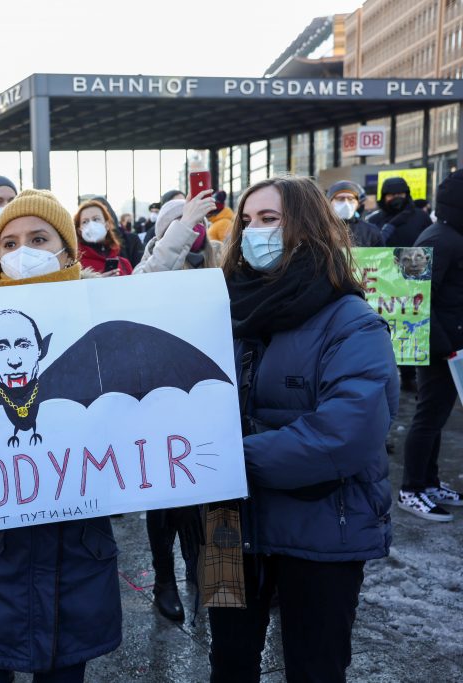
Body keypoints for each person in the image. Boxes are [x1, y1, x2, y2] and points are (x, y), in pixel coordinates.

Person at [211, 176, 397, 683]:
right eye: (247, 221)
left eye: (270, 220)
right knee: (228, 663)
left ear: (307, 227)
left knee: (315, 666)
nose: (254, 233)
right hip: (226, 528)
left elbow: (346, 434)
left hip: (321, 530)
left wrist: (226, 458)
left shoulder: (351, 321)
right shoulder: (220, 312)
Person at [0, 189, 122, 682]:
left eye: (39, 238)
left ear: (67, 249)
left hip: (73, 557)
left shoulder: (101, 322)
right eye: (10, 243)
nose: (23, 253)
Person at [130, 190, 219, 622]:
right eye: (182, 221)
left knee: (218, 491)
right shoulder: (153, 263)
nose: (193, 227)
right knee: (165, 498)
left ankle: (215, 580)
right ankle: (165, 579)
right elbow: (141, 290)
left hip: (215, 398)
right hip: (161, 401)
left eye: (198, 220)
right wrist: (178, 231)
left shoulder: (224, 256)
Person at [399, 170, 463, 521]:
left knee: (435, 418)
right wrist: (444, 347)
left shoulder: (449, 235)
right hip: (440, 349)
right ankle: (411, 489)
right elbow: (415, 297)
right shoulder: (441, 237)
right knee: (427, 418)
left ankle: (429, 481)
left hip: (449, 347)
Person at [367, 177, 431, 393]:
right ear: (383, 197)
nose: (396, 198)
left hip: (413, 283)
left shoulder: (420, 218)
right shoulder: (375, 220)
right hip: (383, 284)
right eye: (391, 195)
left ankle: (409, 376)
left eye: (400, 194)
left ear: (407, 194)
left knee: (409, 328)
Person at [73, 199, 133, 275]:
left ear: (107, 225)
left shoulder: (124, 264)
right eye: (85, 221)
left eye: (96, 219)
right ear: (79, 231)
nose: (91, 224)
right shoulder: (73, 265)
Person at [86, 194, 144, 266]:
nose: (94, 224)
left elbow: (140, 270)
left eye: (97, 218)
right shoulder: (83, 248)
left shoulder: (131, 240)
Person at [327, 181, 383, 247]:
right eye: (340, 198)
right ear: (330, 202)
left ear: (358, 203)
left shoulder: (371, 231)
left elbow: (381, 255)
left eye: (351, 198)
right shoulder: (322, 229)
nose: (346, 203)